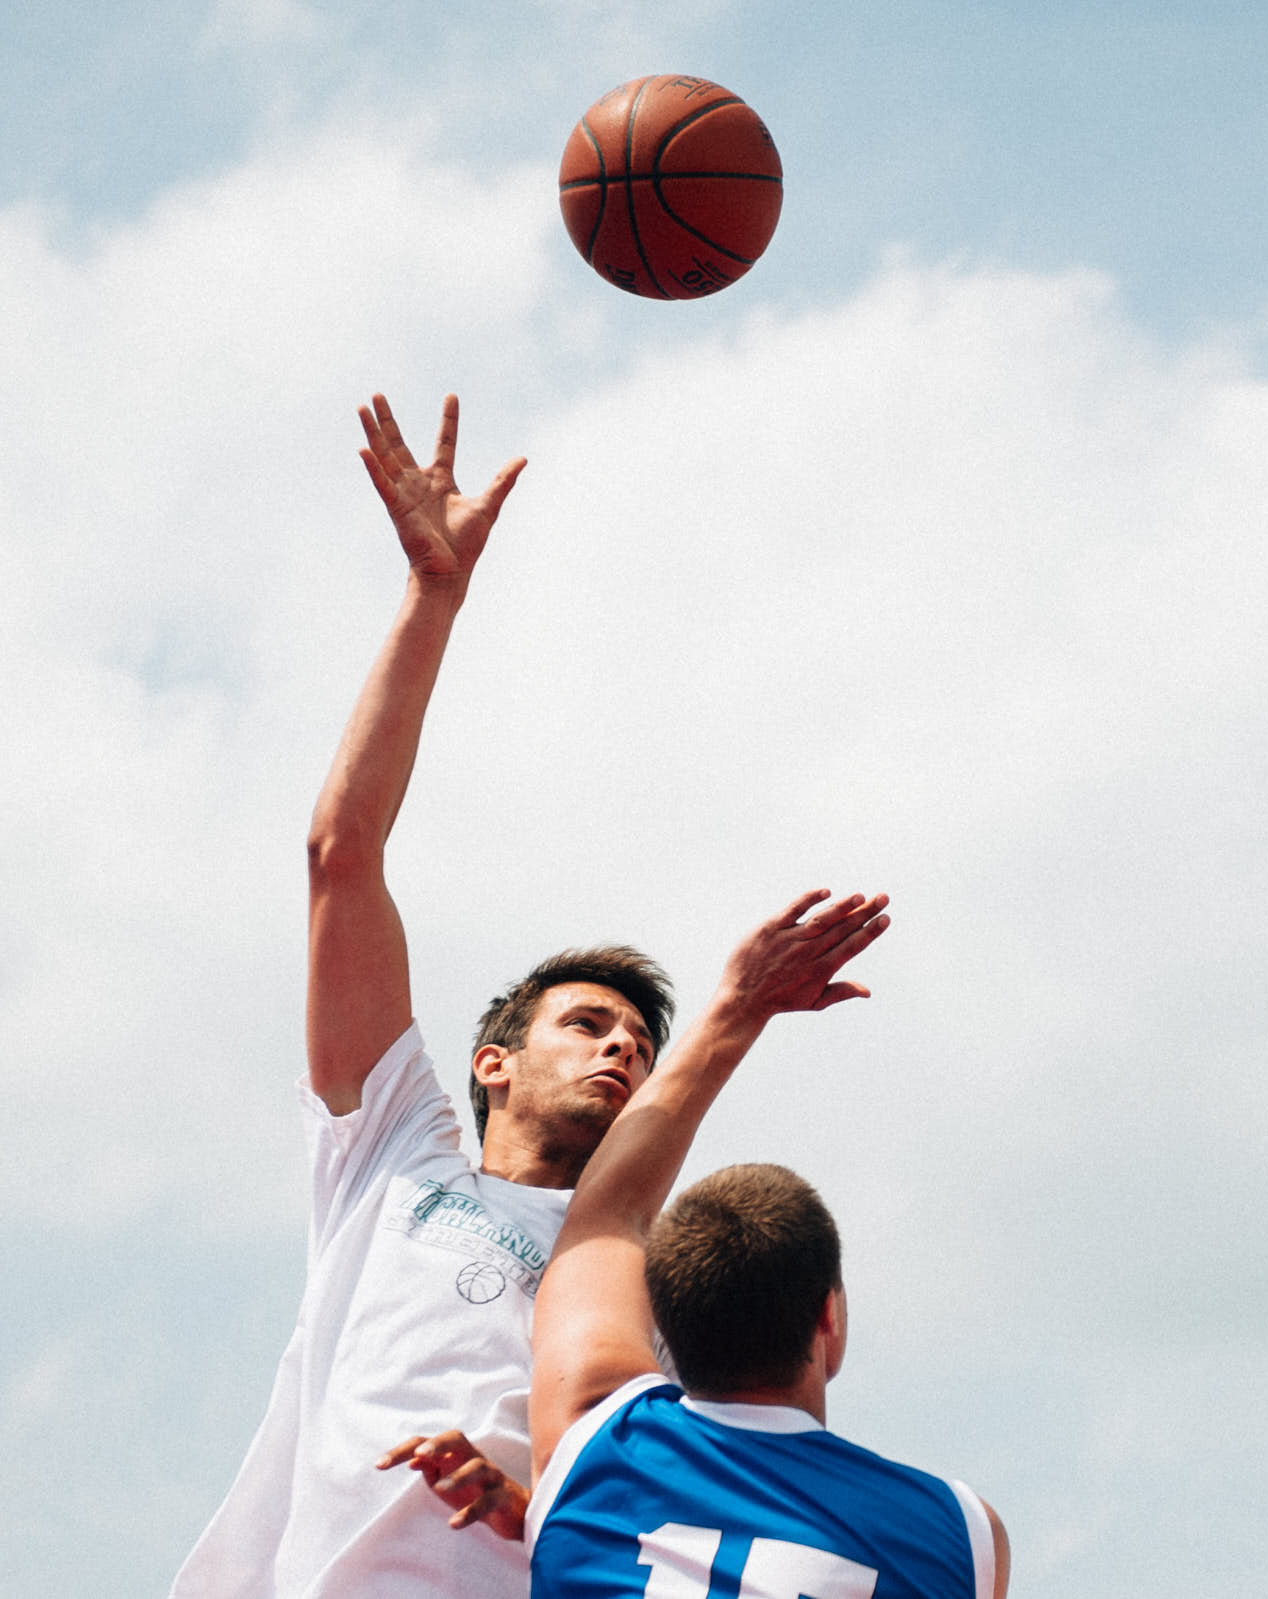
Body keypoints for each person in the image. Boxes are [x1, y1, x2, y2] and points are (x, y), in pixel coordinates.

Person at [171, 394, 890, 1598]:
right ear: (492, 1062)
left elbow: (671, 1519)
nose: (620, 1048)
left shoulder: (652, 1284)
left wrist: (513, 1501)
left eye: (639, 1041)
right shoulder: (389, 1158)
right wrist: (430, 596)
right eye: (587, 1023)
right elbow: (341, 853)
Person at [521, 912, 1007, 1599]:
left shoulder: (596, 1441)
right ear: (828, 1319)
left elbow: (607, 1215)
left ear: (667, 1321)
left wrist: (738, 1006)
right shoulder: (960, 1534)